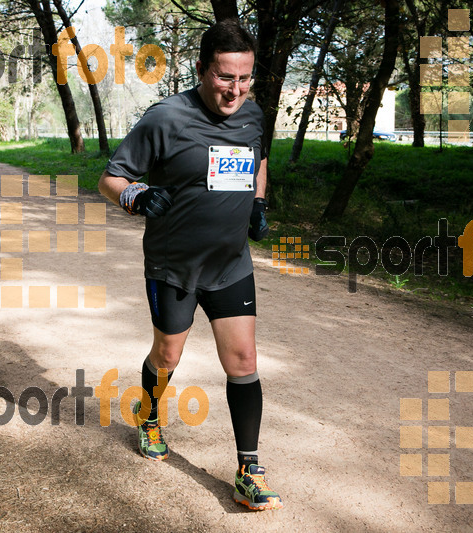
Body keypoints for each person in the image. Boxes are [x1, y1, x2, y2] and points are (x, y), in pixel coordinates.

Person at [98, 20, 281, 511]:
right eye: (225, 78)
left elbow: (259, 160)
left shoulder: (254, 116)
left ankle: (249, 469)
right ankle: (150, 416)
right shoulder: (166, 118)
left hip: (230, 264)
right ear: (202, 69)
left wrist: (259, 202)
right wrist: (137, 195)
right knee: (167, 358)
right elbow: (111, 178)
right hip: (172, 266)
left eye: (245, 79)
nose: (236, 90)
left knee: (244, 363)